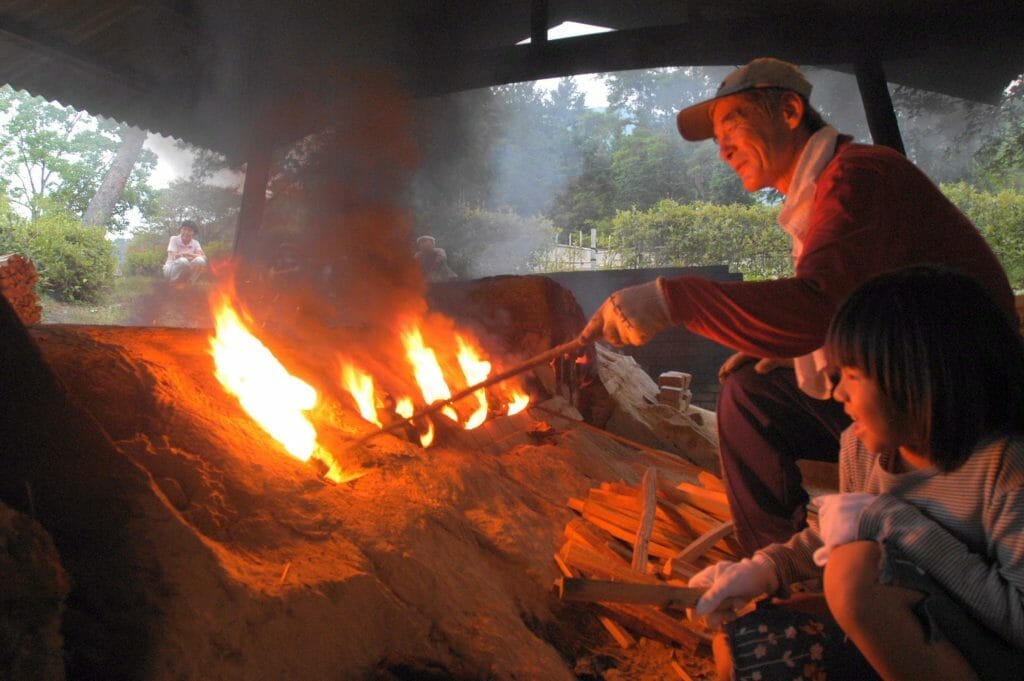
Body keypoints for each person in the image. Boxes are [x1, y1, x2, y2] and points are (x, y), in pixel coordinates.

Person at [580, 57, 1016, 554]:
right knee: (751, 392)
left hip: (962, 407)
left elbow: (819, 306)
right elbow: (849, 306)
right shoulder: (828, 191)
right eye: (717, 138)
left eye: (732, 126)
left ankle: (792, 574)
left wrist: (671, 299)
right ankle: (778, 565)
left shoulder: (861, 178)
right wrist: (796, 352)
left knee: (750, 400)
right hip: (916, 388)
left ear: (789, 111)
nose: (722, 150)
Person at [685, 265, 1024, 681]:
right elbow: (837, 531)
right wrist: (766, 569)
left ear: (915, 381)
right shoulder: (858, 449)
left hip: (994, 657)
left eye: (851, 376)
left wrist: (893, 521)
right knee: (740, 647)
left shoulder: (1005, 467)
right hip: (909, 632)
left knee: (853, 572)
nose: (837, 393)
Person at [163, 220, 207, 285]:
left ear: (193, 233)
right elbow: (173, 256)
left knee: (200, 260)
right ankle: (172, 283)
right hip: (170, 269)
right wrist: (186, 255)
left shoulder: (195, 243)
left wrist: (189, 254)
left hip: (186, 269)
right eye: (184, 229)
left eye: (189, 230)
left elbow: (204, 257)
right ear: (180, 230)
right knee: (183, 261)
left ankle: (190, 282)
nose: (186, 232)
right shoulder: (174, 239)